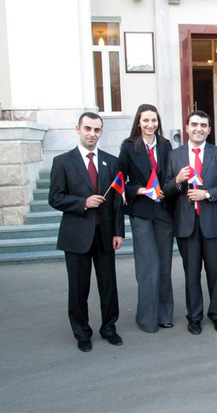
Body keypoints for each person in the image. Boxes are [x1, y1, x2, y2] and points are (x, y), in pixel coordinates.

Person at [49, 112, 125, 352]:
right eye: (88, 128)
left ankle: (109, 328)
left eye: (97, 130)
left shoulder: (111, 162)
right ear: (78, 129)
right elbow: (55, 198)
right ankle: (82, 332)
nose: (92, 133)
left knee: (108, 285)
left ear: (101, 132)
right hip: (76, 236)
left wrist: (118, 232)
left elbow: (116, 201)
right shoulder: (62, 161)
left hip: (104, 235)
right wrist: (83, 202)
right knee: (79, 288)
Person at [164, 111, 217, 335]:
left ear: (209, 130)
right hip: (186, 225)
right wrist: (177, 180)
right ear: (187, 128)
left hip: (214, 224)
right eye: (194, 124)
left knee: (215, 272)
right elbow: (164, 190)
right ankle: (194, 317)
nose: (199, 129)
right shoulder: (174, 156)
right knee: (191, 274)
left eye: (203, 125)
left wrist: (206, 194)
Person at [117, 104, 175, 333]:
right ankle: (147, 318)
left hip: (163, 212)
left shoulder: (165, 145)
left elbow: (169, 175)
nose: (150, 125)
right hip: (141, 212)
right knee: (148, 266)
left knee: (164, 265)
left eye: (154, 121)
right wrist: (140, 190)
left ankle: (164, 314)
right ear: (138, 123)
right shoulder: (129, 146)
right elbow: (121, 180)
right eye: (146, 121)